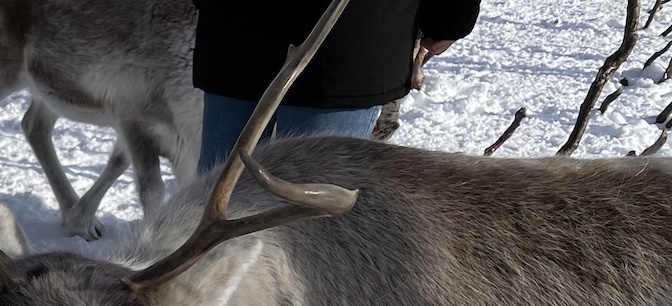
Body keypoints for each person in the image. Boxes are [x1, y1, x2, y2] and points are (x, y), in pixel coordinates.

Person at [192, 0, 481, 173]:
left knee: (220, 202)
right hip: (349, 45)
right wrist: (449, 19)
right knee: (311, 222)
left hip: (237, 33)